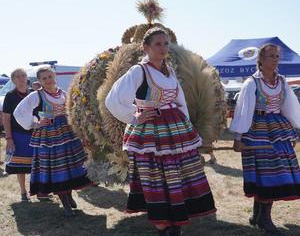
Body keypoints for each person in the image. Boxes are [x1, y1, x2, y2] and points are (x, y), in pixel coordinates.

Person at [105, 27, 216, 236]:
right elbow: (113, 99)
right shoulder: (139, 71)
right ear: (146, 47)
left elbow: (179, 99)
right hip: (151, 132)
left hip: (175, 128)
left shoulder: (170, 70)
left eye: (166, 43)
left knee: (179, 174)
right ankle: (163, 225)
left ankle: (177, 222)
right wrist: (135, 115)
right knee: (156, 176)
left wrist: (187, 126)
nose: (163, 48)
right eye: (158, 44)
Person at [230, 44, 300, 233]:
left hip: (278, 129)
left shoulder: (282, 81)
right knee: (263, 173)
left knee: (276, 172)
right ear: (260, 59)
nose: (275, 59)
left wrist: (292, 129)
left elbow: (289, 106)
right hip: (256, 130)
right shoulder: (252, 83)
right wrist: (238, 137)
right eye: (271, 56)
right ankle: (263, 218)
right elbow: (243, 111)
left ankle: (260, 216)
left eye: (277, 56)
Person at [14, 66, 91, 216]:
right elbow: (20, 111)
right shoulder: (37, 95)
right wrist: (35, 123)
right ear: (39, 81)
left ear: (54, 76)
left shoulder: (63, 93)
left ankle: (68, 194)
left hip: (67, 133)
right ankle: (65, 201)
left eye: (50, 77)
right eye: (44, 78)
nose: (48, 80)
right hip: (50, 136)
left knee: (69, 165)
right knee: (57, 168)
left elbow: (74, 109)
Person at [2, 68, 34, 201]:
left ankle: (38, 190)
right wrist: (9, 138)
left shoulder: (33, 94)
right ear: (13, 80)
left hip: (35, 134)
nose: (21, 78)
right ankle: (23, 192)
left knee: (36, 164)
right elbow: (6, 118)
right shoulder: (10, 95)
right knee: (20, 166)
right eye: (17, 76)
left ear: (27, 78)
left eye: (23, 75)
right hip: (18, 135)